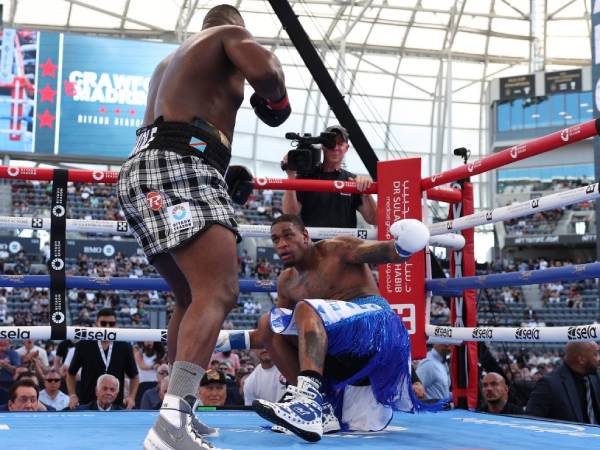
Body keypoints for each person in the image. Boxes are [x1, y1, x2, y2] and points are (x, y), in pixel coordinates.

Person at [116, 4, 290, 449]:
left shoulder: (169, 64)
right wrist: (277, 99)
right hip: (182, 164)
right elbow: (266, 71)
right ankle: (172, 424)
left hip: (146, 170)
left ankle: (179, 410)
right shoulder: (228, 36)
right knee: (219, 292)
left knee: (190, 297)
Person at [233, 214, 436, 442]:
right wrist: (220, 341)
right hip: (338, 349)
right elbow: (278, 330)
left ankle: (308, 403)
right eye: (275, 239)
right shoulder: (287, 281)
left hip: (377, 328)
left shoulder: (336, 249)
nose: (281, 244)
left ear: (305, 236)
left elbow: (388, 252)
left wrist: (405, 244)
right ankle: (321, 407)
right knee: (268, 322)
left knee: (305, 308)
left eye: (288, 235)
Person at [282, 125, 377, 228]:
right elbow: (290, 214)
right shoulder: (305, 176)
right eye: (330, 143)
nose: (335, 148)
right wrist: (291, 176)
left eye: (340, 144)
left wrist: (366, 194)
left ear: (346, 148)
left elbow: (374, 219)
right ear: (322, 146)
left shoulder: (352, 180)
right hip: (313, 244)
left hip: (343, 243)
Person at [67, 308, 139, 409]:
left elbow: (134, 376)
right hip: (87, 404)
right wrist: (72, 395)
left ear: (116, 324)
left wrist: (131, 398)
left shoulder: (125, 346)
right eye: (104, 323)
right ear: (97, 323)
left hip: (115, 405)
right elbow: (71, 373)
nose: (107, 327)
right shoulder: (83, 344)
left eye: (111, 323)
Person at [526, 341, 600, 424]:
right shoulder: (548, 384)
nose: (599, 359)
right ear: (581, 359)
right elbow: (531, 423)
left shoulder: (594, 376)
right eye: (595, 354)